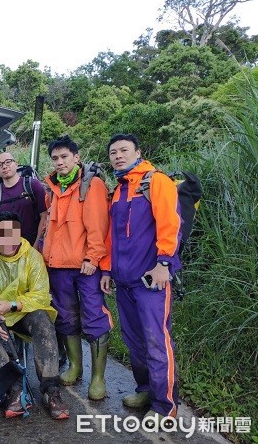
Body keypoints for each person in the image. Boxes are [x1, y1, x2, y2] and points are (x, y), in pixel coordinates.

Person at [100, 133, 181, 420]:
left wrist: (164, 264)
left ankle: (164, 405)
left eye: (124, 150)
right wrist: (107, 269)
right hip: (124, 281)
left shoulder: (156, 181)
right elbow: (112, 236)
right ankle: (146, 388)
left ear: (138, 152)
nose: (118, 156)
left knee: (156, 340)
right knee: (134, 340)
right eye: (113, 152)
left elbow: (171, 225)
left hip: (151, 280)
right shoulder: (119, 189)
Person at [0, 211, 69, 420]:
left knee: (42, 320)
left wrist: (13, 304)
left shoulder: (32, 257)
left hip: (20, 312)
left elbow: (40, 294)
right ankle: (14, 386)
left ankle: (51, 390)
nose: (8, 240)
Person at [42, 136, 113, 400]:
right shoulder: (52, 188)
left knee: (93, 317)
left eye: (64, 157)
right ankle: (75, 367)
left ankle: (98, 378)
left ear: (76, 157)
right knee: (66, 316)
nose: (59, 162)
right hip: (58, 266)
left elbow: (98, 226)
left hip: (85, 266)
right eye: (55, 159)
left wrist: (93, 258)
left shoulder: (90, 185)